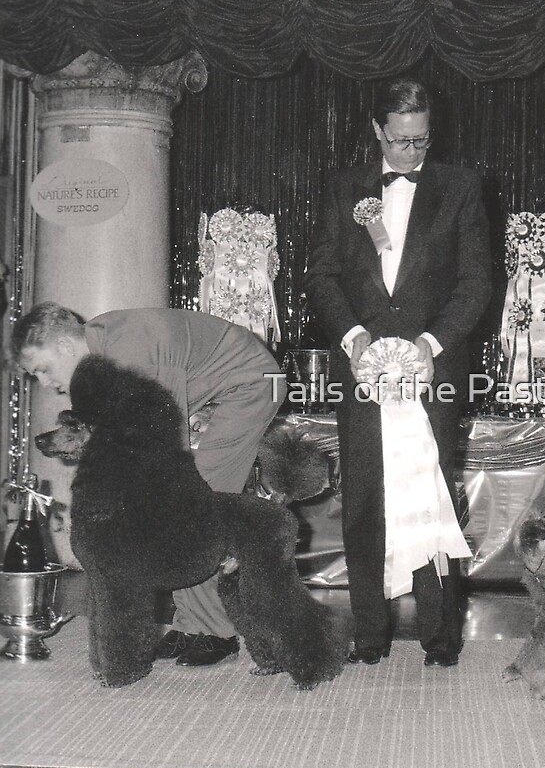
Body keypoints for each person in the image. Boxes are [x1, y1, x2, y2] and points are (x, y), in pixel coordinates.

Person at [305, 77, 491, 667]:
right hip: (361, 369)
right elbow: (322, 275)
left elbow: (477, 280)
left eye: (423, 140)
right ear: (378, 131)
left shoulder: (461, 188)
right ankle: (369, 633)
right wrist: (356, 339)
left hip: (433, 367)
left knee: (431, 494)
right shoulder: (344, 189)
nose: (413, 152)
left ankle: (440, 635)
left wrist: (431, 344)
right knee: (363, 498)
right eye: (402, 141)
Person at [10, 302, 286, 666]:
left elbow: (165, 442)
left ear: (64, 346)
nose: (46, 384)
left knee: (196, 505)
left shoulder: (130, 356)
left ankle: (213, 632)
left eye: (42, 370)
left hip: (252, 384)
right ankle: (191, 622)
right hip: (215, 388)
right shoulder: (102, 353)